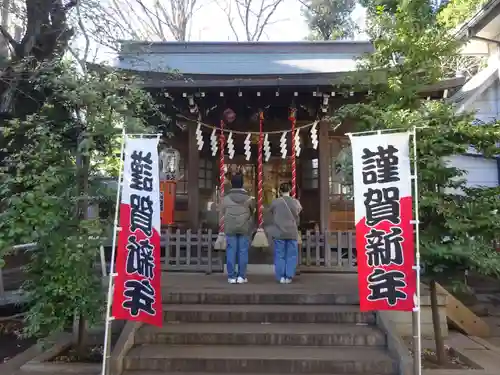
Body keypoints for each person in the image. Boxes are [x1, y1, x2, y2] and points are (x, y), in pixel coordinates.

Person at [221, 173, 255, 284]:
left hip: (230, 227)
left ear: (232, 184)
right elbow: (252, 211)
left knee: (231, 251)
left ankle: (231, 276)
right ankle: (241, 276)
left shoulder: (225, 198)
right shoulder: (249, 198)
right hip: (244, 227)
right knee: (243, 251)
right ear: (242, 184)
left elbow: (221, 213)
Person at [269, 182, 302, 284]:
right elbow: (299, 211)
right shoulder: (295, 202)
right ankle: (289, 276)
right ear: (290, 190)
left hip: (279, 232)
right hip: (292, 231)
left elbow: (271, 211)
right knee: (291, 255)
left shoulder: (275, 202)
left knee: (279, 255)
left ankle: (281, 276)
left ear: (280, 191)